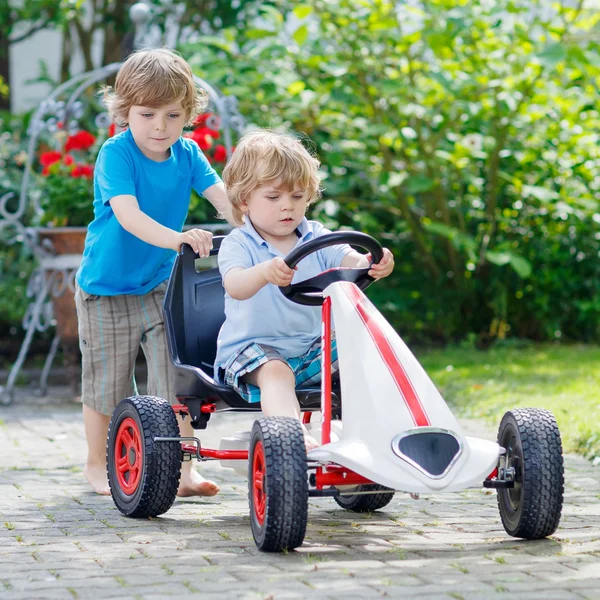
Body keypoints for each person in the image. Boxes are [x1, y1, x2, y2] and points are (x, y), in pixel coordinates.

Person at [75, 48, 233, 496]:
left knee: (176, 381)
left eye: (172, 114)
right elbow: (129, 216)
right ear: (125, 112)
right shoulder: (116, 154)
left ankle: (183, 472)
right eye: (147, 114)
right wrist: (179, 238)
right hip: (105, 289)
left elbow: (222, 198)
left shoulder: (187, 154)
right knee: (107, 384)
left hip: (161, 285)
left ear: (189, 114)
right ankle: (95, 464)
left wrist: (259, 230)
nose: (160, 126)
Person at [214, 130, 394, 449]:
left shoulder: (315, 237)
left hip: (311, 347)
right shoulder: (238, 244)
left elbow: (349, 258)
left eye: (297, 197)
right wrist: (265, 272)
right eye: (274, 197)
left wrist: (371, 263)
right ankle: (292, 437)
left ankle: (362, 436)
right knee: (276, 372)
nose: (288, 207)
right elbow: (236, 285)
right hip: (252, 349)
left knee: (366, 352)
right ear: (244, 199)